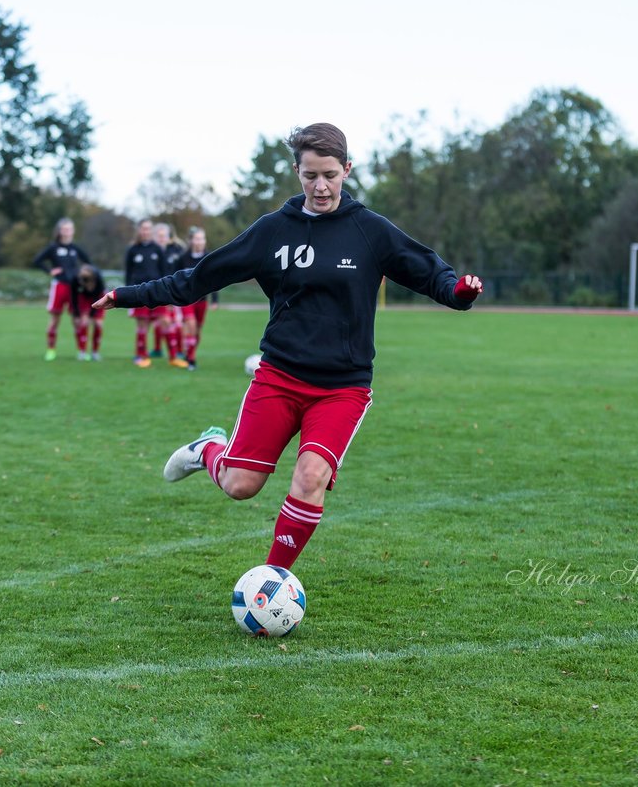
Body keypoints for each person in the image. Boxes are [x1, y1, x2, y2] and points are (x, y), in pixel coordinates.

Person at [94, 123, 482, 571]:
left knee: (311, 474)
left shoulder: (370, 231)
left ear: (347, 171)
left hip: (343, 387)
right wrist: (129, 295)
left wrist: (459, 293)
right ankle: (207, 450)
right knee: (241, 484)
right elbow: (198, 278)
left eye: (331, 175)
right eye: (311, 175)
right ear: (297, 171)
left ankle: (272, 580)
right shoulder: (272, 231)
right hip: (279, 376)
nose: (321, 186)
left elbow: (430, 273)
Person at [32, 218, 93, 361]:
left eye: (69, 229)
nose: (66, 232)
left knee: (77, 320)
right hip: (59, 286)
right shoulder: (53, 247)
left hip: (74, 288)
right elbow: (37, 261)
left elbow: (89, 263)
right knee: (54, 320)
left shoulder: (75, 249)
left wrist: (83, 274)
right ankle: (51, 350)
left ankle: (82, 351)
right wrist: (49, 271)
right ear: (59, 231)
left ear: (73, 231)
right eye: (64, 229)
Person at [122, 218, 165, 367]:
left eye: (148, 228)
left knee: (162, 322)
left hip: (156, 292)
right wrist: (126, 295)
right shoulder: (132, 249)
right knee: (142, 325)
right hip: (138, 293)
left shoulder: (158, 249)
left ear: (152, 231)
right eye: (143, 228)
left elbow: (164, 272)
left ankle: (172, 354)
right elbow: (128, 273)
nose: (146, 231)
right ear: (139, 230)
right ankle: (140, 355)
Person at [176, 226, 218, 370]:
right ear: (191, 240)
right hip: (186, 298)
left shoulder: (209, 257)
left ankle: (189, 353)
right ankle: (191, 359)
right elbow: (175, 278)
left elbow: (215, 280)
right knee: (191, 325)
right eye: (197, 239)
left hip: (202, 299)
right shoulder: (183, 258)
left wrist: (215, 300)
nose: (200, 242)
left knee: (197, 329)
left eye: (202, 239)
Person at [152, 221, 189, 368]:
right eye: (158, 236)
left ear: (168, 236)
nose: (161, 239)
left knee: (175, 322)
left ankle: (177, 352)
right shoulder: (153, 252)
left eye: (164, 236)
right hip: (156, 292)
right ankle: (168, 353)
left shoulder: (175, 251)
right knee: (164, 322)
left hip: (173, 291)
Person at [71, 263, 107, 361]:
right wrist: (77, 313)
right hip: (84, 299)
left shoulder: (98, 280)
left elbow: (97, 298)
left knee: (98, 324)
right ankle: (82, 351)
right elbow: (74, 298)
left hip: (99, 299)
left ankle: (95, 352)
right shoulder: (76, 279)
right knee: (84, 323)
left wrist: (92, 314)